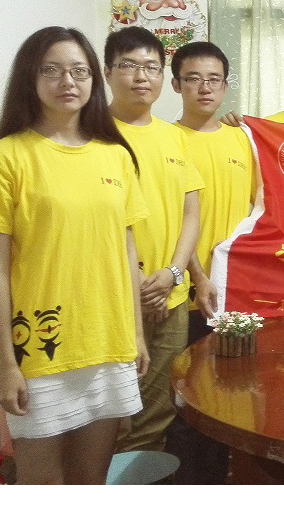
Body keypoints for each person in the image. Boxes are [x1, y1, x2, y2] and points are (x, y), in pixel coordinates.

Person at [0, 27, 149, 484]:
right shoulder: (5, 158)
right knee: (42, 486)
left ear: (93, 80)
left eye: (79, 71)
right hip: (41, 351)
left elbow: (126, 250)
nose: (67, 81)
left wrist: (137, 335)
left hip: (107, 342)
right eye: (51, 70)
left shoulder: (116, 156)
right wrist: (6, 364)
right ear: (29, 79)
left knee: (90, 482)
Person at [105, 26, 204, 453]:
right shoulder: (94, 134)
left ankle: (141, 484)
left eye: (151, 67)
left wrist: (173, 274)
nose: (141, 76)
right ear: (108, 72)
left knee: (157, 412)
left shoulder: (174, 136)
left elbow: (191, 214)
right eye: (129, 66)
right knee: (111, 417)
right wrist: (140, 287)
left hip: (171, 295)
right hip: (112, 299)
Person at [165, 41, 255, 483]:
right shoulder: (164, 141)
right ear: (176, 84)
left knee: (234, 394)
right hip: (187, 294)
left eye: (214, 79)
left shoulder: (243, 139)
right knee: (187, 398)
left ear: (225, 85)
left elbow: (262, 210)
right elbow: (169, 221)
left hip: (237, 295)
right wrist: (198, 276)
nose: (204, 88)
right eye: (194, 79)